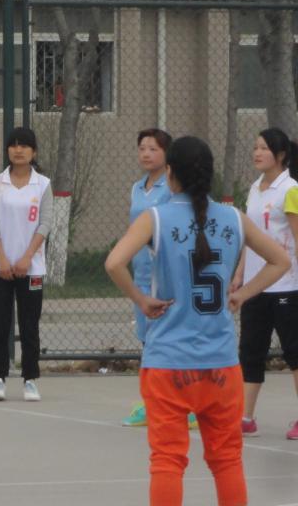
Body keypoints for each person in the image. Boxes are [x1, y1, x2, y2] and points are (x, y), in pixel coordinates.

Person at [106, 135, 289, 506]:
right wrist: (242, 293)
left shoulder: (156, 217)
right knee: (227, 460)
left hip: (169, 361)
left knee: (167, 461)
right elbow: (281, 260)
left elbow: (113, 263)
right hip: (221, 361)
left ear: (170, 172)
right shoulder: (233, 218)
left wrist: (141, 299)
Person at [232, 127, 298, 440]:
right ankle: (245, 417)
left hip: (287, 286)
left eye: (264, 148)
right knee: (250, 351)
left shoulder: (291, 189)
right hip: (256, 287)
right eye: (255, 147)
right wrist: (240, 274)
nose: (257, 153)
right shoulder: (255, 188)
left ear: (280, 155)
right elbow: (251, 237)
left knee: (294, 353)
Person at [0, 126, 52, 403]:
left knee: (29, 324)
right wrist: (2, 257)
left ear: (34, 152)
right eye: (13, 145)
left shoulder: (42, 184)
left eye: (24, 145)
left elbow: (45, 223)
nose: (18, 150)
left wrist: (26, 258)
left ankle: (30, 379)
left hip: (31, 268)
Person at [122, 128, 182, 427]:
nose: (146, 154)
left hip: (166, 276)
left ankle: (181, 404)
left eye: (153, 149)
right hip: (141, 275)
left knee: (168, 342)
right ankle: (152, 403)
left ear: (167, 155)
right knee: (148, 341)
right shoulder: (137, 188)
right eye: (142, 148)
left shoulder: (172, 188)